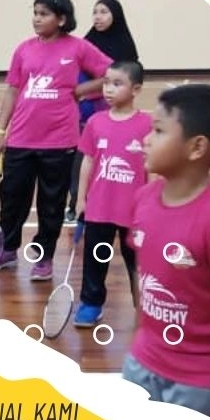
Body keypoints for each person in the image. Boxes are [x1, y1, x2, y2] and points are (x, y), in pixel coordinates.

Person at [126, 83, 210, 420]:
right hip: (141, 367)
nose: (145, 140)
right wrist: (137, 344)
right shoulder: (143, 199)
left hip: (200, 386)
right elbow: (144, 279)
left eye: (158, 131)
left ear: (197, 147)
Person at [0, 0, 112, 280]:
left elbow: (112, 74)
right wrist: (0, 130)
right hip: (20, 138)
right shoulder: (24, 49)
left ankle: (44, 257)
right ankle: (8, 249)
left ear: (61, 19)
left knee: (51, 204)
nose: (37, 19)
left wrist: (81, 90)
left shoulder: (78, 47)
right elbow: (12, 90)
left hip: (59, 141)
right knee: (12, 198)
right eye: (35, 13)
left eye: (44, 14)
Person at [72, 60, 152, 327]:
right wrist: (80, 199)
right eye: (106, 82)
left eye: (117, 84)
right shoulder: (95, 122)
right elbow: (87, 162)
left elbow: (154, 166)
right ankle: (91, 303)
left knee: (137, 263)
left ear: (136, 89)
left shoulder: (147, 124)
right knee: (96, 259)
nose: (108, 89)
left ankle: (144, 308)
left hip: (134, 212)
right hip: (100, 208)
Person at [66, 0, 140, 222]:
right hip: (86, 110)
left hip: (113, 110)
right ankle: (76, 203)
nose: (98, 17)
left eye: (104, 12)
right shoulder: (86, 44)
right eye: (95, 12)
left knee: (113, 159)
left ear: (115, 16)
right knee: (82, 157)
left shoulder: (126, 47)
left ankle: (116, 205)